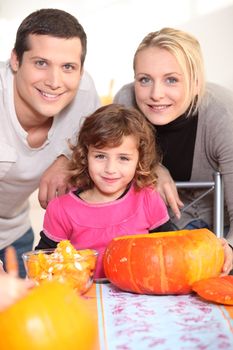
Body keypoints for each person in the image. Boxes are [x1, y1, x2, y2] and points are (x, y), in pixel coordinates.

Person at [113, 27, 233, 273]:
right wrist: (152, 165)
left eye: (172, 80)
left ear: (196, 83)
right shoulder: (125, 103)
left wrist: (228, 248)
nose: (156, 95)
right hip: (149, 239)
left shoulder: (222, 116)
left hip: (214, 238)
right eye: (144, 79)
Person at [0, 8, 100, 277]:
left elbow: (101, 142)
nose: (55, 82)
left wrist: (66, 158)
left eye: (68, 67)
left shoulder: (85, 93)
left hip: (14, 234)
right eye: (41, 63)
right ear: (16, 60)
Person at [36, 104, 173, 278]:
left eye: (123, 158)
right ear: (85, 156)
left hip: (139, 297)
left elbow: (170, 254)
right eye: (100, 156)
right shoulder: (61, 209)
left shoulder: (148, 198)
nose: (110, 169)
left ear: (139, 159)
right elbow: (43, 265)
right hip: (81, 300)